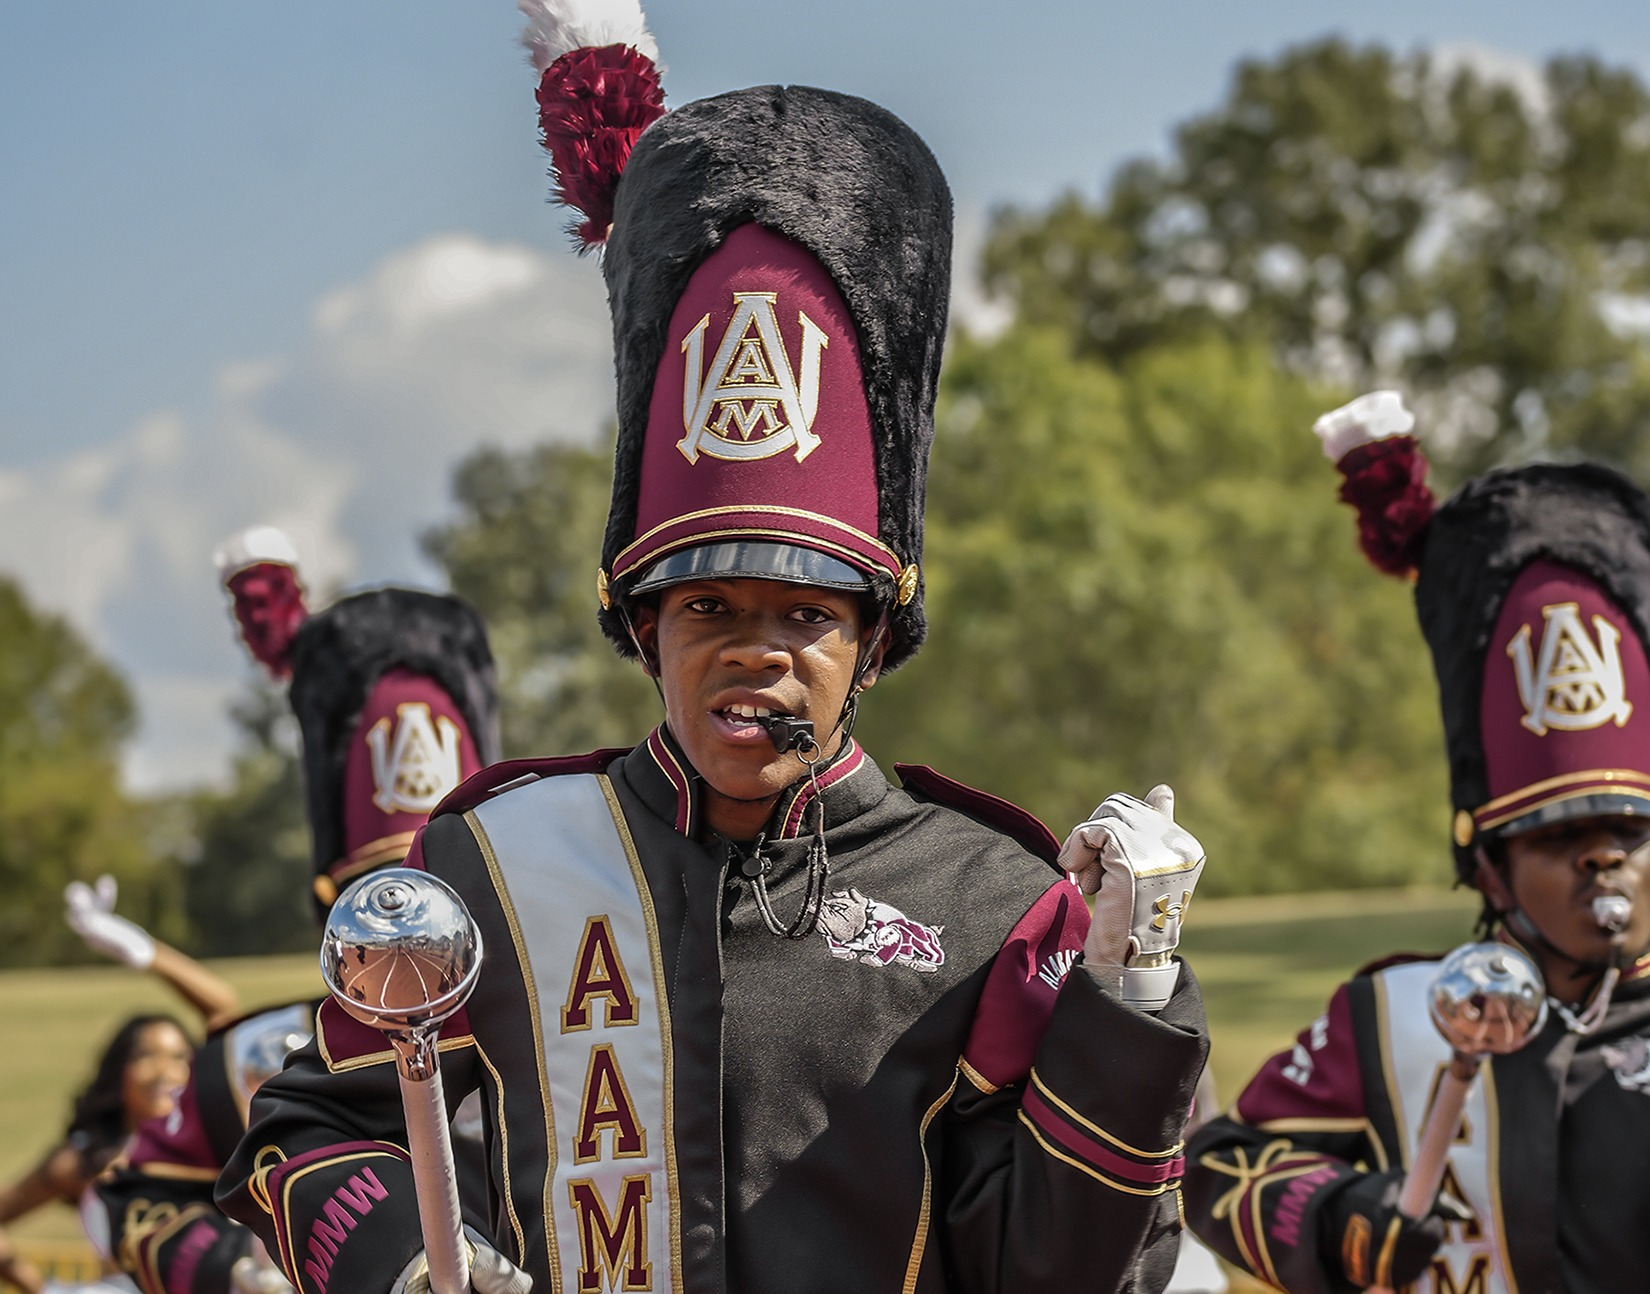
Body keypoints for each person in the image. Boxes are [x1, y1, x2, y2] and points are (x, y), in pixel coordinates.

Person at [215, 6, 1212, 1293]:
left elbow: (1075, 1272)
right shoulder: (496, 862)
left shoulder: (995, 900)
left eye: (806, 616)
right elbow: (309, 1133)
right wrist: (411, 1266)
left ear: (872, 639)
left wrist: (1129, 995)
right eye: (707, 611)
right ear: (646, 629)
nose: (756, 654)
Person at [1183, 392, 1650, 1294]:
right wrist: (1338, 1220)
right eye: (1560, 836)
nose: (1604, 859)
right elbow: (1223, 1169)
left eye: (1629, 832)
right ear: (1491, 866)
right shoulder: (1396, 1018)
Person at [93, 530, 500, 1294]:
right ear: (332, 908)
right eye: (381, 902)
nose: (410, 938)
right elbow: (135, 1204)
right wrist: (233, 1273)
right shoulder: (256, 1059)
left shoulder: (585, 1017)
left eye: (442, 893)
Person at [0, 1014, 193, 1294]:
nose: (164, 1071)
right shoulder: (87, 1158)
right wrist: (37, 1285)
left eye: (179, 1057)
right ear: (119, 1070)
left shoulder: (215, 1146)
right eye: (145, 1056)